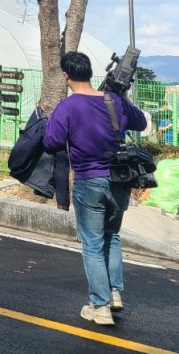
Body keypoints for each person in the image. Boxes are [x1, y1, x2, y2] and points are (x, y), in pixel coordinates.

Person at [43, 51, 147, 326]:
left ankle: (100, 306)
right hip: (119, 181)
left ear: (66, 75)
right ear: (90, 72)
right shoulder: (114, 101)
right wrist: (121, 97)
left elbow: (51, 142)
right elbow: (141, 123)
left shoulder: (68, 107)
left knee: (92, 244)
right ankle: (114, 293)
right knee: (112, 237)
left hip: (88, 180)